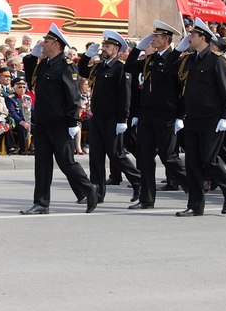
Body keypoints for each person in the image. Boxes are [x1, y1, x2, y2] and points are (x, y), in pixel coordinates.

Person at [20, 24, 99, 215]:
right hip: (43, 121)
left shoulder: (66, 67)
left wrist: (73, 122)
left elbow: (72, 97)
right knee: (42, 164)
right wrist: (32, 56)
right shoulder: (44, 64)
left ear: (56, 44)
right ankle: (41, 203)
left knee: (66, 162)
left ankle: (89, 189)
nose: (43, 44)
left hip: (60, 123)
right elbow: (30, 78)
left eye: (46, 41)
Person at [176, 18, 226, 217]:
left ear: (202, 38)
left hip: (212, 118)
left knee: (209, 158)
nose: (189, 37)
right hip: (193, 117)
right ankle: (195, 205)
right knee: (192, 162)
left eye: (193, 35)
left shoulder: (216, 60)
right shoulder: (192, 60)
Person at [125, 21, 189, 209]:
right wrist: (137, 49)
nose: (153, 39)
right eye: (153, 36)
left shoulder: (175, 59)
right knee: (144, 158)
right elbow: (128, 67)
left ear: (167, 40)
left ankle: (193, 188)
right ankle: (146, 199)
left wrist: (180, 115)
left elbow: (182, 89)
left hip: (166, 116)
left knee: (169, 157)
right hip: (147, 115)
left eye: (157, 37)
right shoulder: (150, 60)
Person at [78, 30, 141, 203]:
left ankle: (138, 181)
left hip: (113, 119)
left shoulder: (121, 68)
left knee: (116, 154)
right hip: (97, 118)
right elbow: (82, 70)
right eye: (104, 45)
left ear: (117, 49)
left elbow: (125, 96)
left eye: (108, 46)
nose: (104, 48)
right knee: (95, 157)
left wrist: (123, 119)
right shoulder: (99, 66)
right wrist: (87, 55)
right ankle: (97, 193)